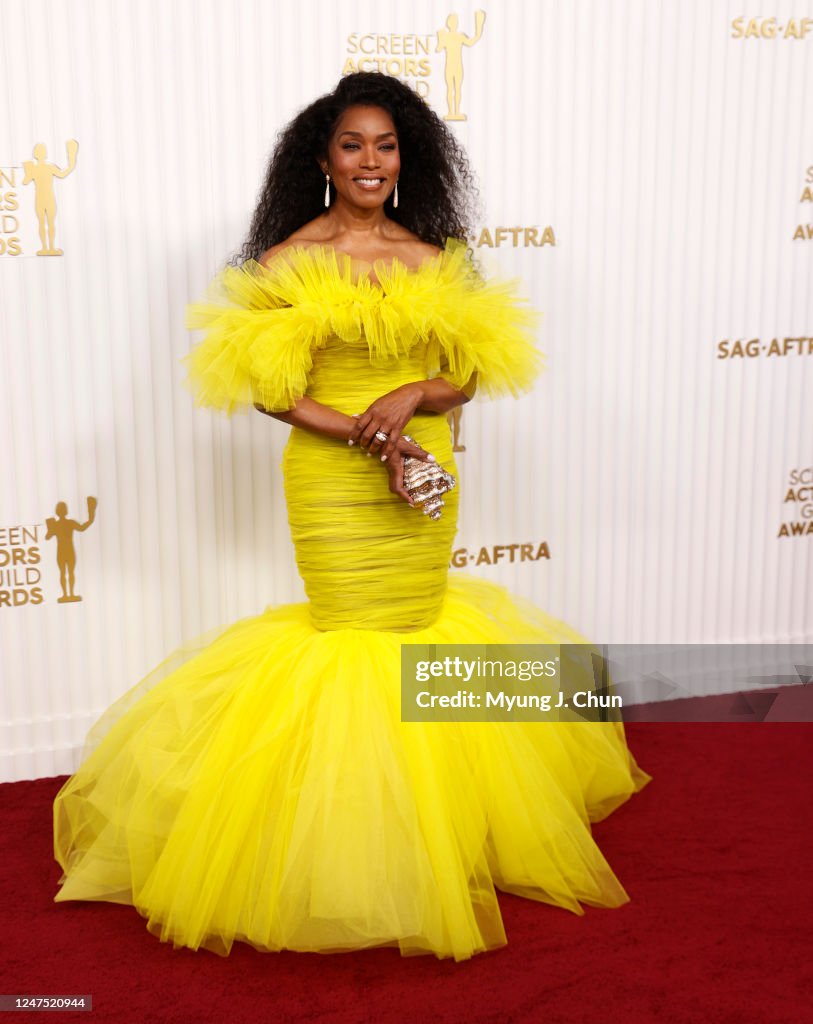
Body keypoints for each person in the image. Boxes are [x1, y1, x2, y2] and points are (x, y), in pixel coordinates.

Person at [53, 72, 650, 961]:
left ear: (407, 157)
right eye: (351, 146)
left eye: (385, 145)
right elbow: (270, 393)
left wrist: (414, 397)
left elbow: (471, 374)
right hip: (335, 478)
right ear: (321, 160)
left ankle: (432, 834)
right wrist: (372, 437)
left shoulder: (435, 258)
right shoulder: (284, 262)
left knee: (417, 627)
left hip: (425, 468)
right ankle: (347, 845)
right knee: (352, 636)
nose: (370, 162)